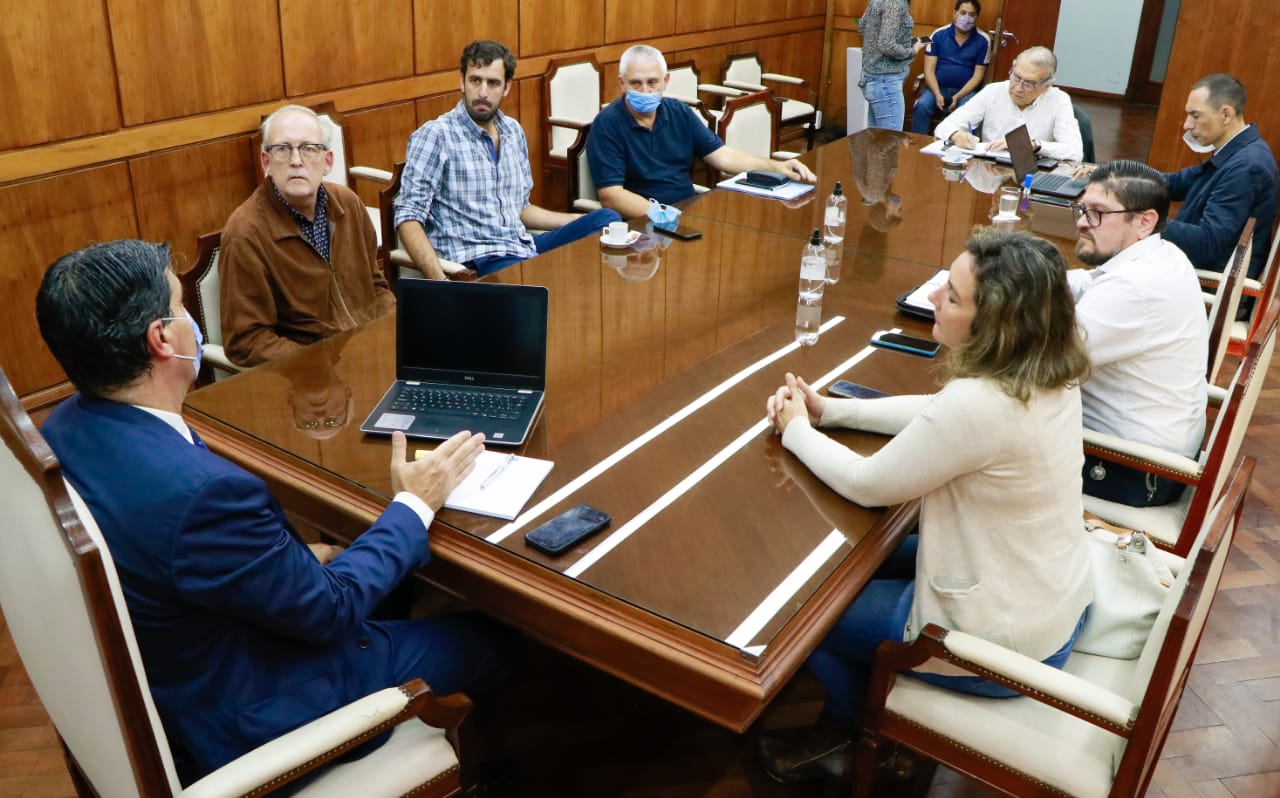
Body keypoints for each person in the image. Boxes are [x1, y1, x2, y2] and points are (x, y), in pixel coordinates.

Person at [35, 239, 516, 785]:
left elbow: (180, 556)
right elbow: (331, 611)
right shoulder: (205, 495)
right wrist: (414, 502)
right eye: (181, 307)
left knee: (388, 582)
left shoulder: (65, 429)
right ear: (162, 339)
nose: (194, 321)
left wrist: (288, 560)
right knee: (493, 637)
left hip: (188, 658)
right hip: (254, 708)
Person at [755, 229, 1092, 783]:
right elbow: (940, 411)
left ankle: (857, 737)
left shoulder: (984, 405)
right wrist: (831, 412)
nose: (935, 297)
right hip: (1052, 597)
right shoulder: (1047, 369)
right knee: (844, 570)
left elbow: (866, 483)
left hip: (1001, 647)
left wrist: (794, 429)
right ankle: (854, 719)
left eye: (953, 298)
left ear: (995, 326)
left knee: (805, 617)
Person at [395, 40, 620, 279]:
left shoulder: (513, 131)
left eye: (493, 83)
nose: (482, 92)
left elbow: (521, 209)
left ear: (506, 88)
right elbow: (408, 217)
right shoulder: (436, 135)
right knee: (544, 276)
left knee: (607, 221)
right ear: (462, 82)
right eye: (475, 80)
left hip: (521, 245)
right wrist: (441, 281)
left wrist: (575, 221)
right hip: (480, 259)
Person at [1068, 160, 1208, 507]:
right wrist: (1015, 277)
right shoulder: (1161, 252)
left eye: (1098, 213)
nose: (1083, 222)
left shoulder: (1135, 286)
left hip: (1131, 470)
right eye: (1082, 208)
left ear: (1144, 221)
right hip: (1154, 452)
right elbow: (1087, 282)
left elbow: (1045, 363)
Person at [220, 104, 393, 368]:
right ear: (266, 162)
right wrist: (323, 362)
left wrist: (391, 331)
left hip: (372, 355)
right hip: (309, 379)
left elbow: (375, 285)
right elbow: (247, 341)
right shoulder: (245, 234)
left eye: (309, 148)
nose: (296, 161)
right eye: (282, 149)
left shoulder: (348, 203)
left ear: (328, 161)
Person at [587, 44, 816, 218]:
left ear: (666, 81)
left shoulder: (679, 112)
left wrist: (778, 167)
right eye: (635, 83)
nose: (645, 91)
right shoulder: (607, 124)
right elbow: (611, 195)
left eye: (652, 82)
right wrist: (660, 215)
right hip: (641, 223)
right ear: (621, 83)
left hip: (687, 209)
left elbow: (724, 156)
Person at [1163, 73, 1278, 281]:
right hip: (1189, 270)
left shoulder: (1246, 166)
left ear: (1225, 114)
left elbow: (1208, 244)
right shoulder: (1237, 151)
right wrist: (1118, 177)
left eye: (1195, 115)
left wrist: (1143, 221)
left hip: (1205, 283)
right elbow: (1177, 183)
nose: (1187, 125)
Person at [934, 46, 1083, 161]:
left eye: (1029, 84)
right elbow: (943, 128)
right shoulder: (993, 91)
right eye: (1016, 77)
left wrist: (1033, 145)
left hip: (1033, 176)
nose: (1018, 88)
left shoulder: (1059, 100)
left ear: (1047, 86)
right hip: (990, 172)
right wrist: (956, 135)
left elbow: (1075, 152)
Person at [910, 1, 991, 134]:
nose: (966, 18)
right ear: (955, 14)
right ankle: (918, 145)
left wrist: (957, 97)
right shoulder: (938, 35)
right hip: (936, 88)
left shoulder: (983, 40)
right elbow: (929, 70)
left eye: (971, 15)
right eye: (963, 13)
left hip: (965, 92)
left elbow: (978, 76)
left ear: (977, 17)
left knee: (970, 112)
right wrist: (937, 94)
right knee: (922, 106)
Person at [858, 0, 925, 130]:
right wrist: (912, 51)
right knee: (889, 142)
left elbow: (862, 27)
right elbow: (886, 44)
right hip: (885, 83)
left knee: (876, 143)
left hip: (874, 79)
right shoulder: (895, 3)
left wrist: (902, 42)